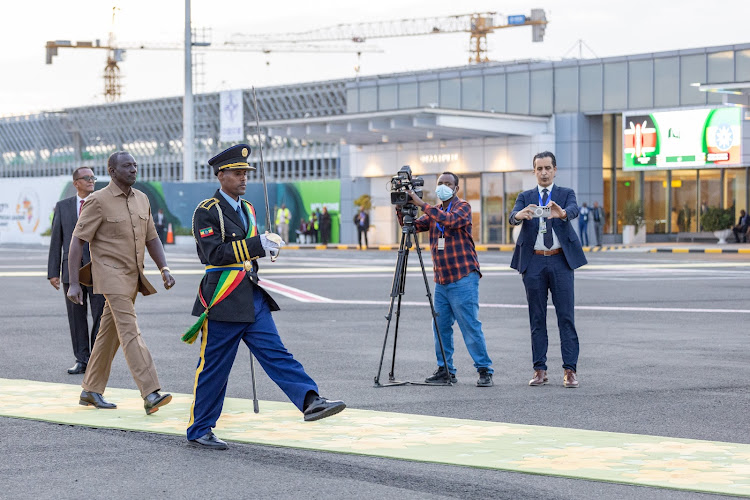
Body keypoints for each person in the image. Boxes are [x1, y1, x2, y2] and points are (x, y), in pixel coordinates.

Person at [185, 144, 346, 450]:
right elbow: (213, 253)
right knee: (214, 368)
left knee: (277, 353)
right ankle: (200, 428)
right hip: (222, 298)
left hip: (251, 294)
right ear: (221, 176)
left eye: (246, 173)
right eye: (237, 173)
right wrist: (257, 245)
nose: (244, 178)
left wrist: (265, 247)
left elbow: (250, 252)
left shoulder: (247, 210)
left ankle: (311, 401)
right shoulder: (207, 211)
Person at [67, 151, 175, 414]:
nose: (133, 169)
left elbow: (152, 238)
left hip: (132, 276)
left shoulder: (142, 199)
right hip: (109, 276)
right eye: (127, 166)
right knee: (130, 330)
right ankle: (150, 392)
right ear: (112, 171)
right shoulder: (98, 201)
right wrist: (73, 283)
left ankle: (91, 389)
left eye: (135, 165)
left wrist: (164, 268)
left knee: (109, 334)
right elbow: (77, 241)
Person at [399, 172, 494, 387]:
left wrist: (422, 204)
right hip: (442, 280)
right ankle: (445, 370)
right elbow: (412, 226)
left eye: (448, 184)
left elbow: (450, 221)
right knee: (440, 326)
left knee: (469, 325)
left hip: (463, 277)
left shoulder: (463, 207)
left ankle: (484, 369)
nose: (443, 186)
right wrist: (402, 206)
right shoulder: (435, 211)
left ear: (456, 188)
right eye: (440, 183)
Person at [509, 151, 587, 388]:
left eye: (547, 168)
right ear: (534, 171)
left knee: (566, 317)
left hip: (560, 261)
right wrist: (518, 216)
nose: (543, 172)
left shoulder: (565, 194)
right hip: (533, 262)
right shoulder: (526, 196)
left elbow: (572, 209)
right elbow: (513, 216)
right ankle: (539, 369)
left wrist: (561, 213)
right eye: (539, 168)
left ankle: (570, 370)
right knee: (537, 317)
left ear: (555, 170)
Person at [47, 167, 106, 375]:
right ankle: (81, 360)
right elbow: (56, 240)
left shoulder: (103, 204)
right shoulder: (63, 207)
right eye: (87, 178)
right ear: (76, 183)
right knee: (76, 316)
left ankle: (96, 360)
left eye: (93, 177)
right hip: (70, 271)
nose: (91, 181)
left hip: (98, 269)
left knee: (101, 315)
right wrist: (53, 272)